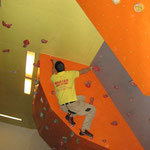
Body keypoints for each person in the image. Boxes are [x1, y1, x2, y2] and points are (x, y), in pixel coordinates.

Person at [50, 59, 96, 138]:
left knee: (82, 98)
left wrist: (53, 63)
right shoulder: (70, 74)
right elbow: (82, 71)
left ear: (56, 70)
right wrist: (90, 68)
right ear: (64, 67)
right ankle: (83, 130)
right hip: (73, 106)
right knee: (92, 109)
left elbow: (53, 71)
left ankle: (70, 115)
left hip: (63, 107)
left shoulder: (54, 78)